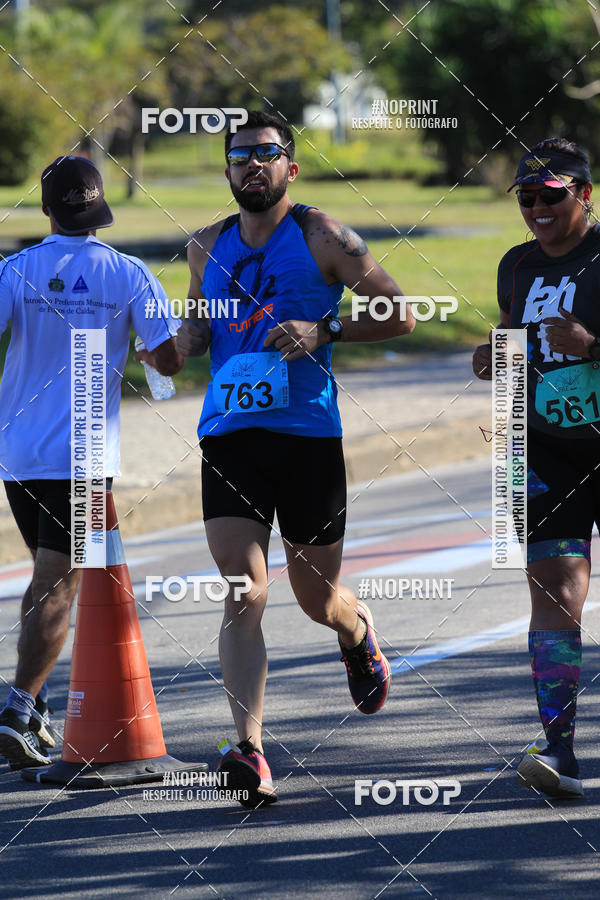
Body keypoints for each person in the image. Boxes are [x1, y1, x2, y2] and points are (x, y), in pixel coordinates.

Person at [177, 109, 416, 808]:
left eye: (267, 153)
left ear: (291, 166)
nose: (252, 165)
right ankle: (249, 751)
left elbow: (401, 313)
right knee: (243, 588)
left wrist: (325, 328)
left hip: (308, 436)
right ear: (227, 170)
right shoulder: (205, 246)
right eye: (240, 156)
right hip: (230, 434)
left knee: (317, 600)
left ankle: (356, 629)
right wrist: (179, 343)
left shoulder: (325, 237)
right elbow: (199, 324)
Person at [0, 155, 182, 769]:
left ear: (45, 209)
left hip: (18, 452)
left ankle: (35, 706)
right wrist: (152, 351)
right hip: (82, 456)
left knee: (45, 573)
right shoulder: (129, 274)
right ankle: (17, 710)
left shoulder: (16, 270)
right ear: (100, 208)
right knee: (59, 581)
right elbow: (169, 360)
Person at [472, 137, 598, 798]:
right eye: (526, 197)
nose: (537, 208)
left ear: (585, 194)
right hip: (545, 448)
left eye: (551, 195)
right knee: (553, 586)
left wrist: (592, 345)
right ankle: (559, 749)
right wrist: (495, 357)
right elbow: (511, 338)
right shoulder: (516, 265)